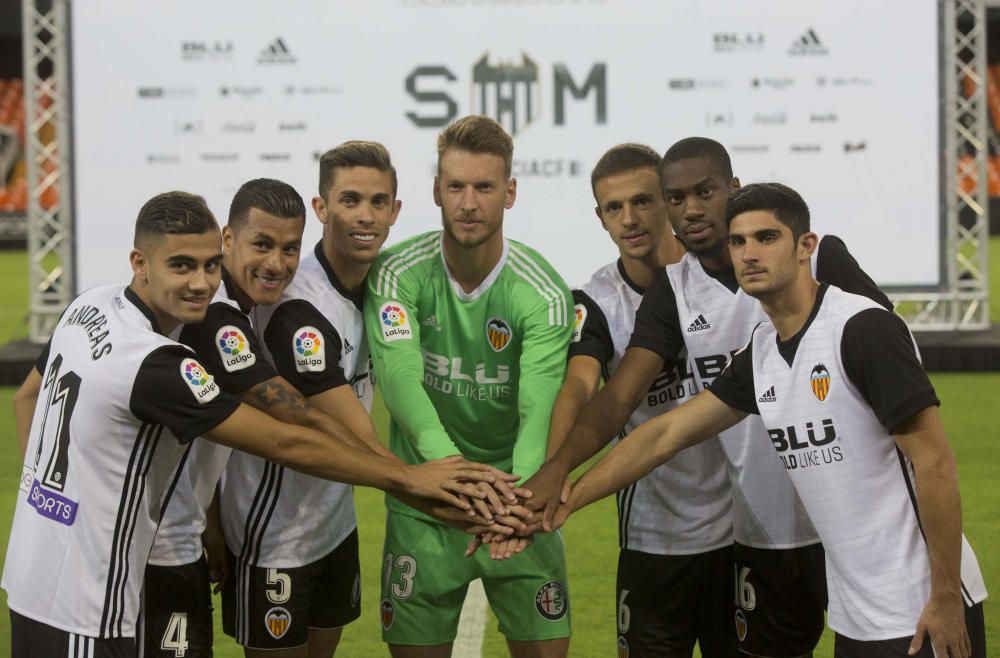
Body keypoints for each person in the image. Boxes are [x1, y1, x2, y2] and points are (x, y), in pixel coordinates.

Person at [4, 191, 500, 657]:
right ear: (141, 262)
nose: (201, 282)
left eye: (209, 267)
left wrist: (41, 498)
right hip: (91, 598)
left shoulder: (87, 306)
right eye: (182, 266)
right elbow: (286, 438)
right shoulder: (158, 362)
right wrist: (410, 480)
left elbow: (27, 396)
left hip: (34, 572)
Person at [550, 182, 988, 658]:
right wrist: (567, 498)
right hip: (856, 618)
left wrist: (945, 596)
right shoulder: (760, 353)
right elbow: (664, 434)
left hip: (922, 607)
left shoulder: (862, 328)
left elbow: (936, 464)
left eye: (767, 238)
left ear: (806, 247)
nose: (748, 254)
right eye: (738, 242)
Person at [525, 137, 891, 658]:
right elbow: (616, 400)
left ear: (732, 191)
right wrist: (558, 471)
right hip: (758, 532)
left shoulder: (813, 260)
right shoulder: (669, 293)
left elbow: (894, 361)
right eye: (678, 198)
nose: (690, 209)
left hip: (852, 520)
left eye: (703, 193)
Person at [365, 115, 574, 658]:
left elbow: (539, 405)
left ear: (509, 193)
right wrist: (454, 479)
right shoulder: (395, 273)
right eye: (455, 186)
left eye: (484, 187)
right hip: (428, 505)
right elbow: (400, 376)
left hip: (515, 503)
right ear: (436, 189)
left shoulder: (544, 290)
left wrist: (513, 500)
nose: (468, 202)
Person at [547, 143, 733, 658]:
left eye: (644, 201)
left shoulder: (726, 274)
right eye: (613, 208)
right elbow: (582, 386)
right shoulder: (596, 302)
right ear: (600, 217)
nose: (630, 219)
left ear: (668, 203)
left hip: (743, 532)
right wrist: (552, 471)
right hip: (655, 539)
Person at [222, 142, 400, 656]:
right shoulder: (299, 311)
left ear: (395, 210)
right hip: (275, 532)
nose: (364, 216)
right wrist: (433, 488)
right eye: (349, 200)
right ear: (323, 208)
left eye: (378, 201)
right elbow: (352, 434)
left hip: (334, 521)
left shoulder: (382, 283)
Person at [142, 177, 314, 658]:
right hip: (157, 548)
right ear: (228, 240)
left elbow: (200, 429)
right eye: (262, 244)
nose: (276, 264)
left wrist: (210, 520)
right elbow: (289, 430)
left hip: (177, 535)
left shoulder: (225, 308)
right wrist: (405, 475)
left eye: (290, 248)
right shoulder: (215, 318)